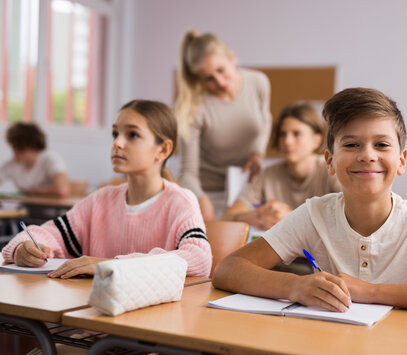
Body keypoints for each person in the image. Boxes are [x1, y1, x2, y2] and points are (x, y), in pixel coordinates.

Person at [212, 88, 407, 318]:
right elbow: (229, 269)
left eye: (382, 144)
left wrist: (370, 292)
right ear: (329, 161)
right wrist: (297, 286)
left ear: (401, 161)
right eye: (351, 145)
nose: (367, 155)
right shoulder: (314, 214)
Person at [2, 100, 212, 278]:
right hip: (92, 316)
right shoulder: (100, 200)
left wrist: (114, 266)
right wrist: (23, 249)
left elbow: (199, 259)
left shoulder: (180, 201)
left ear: (163, 149)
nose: (118, 143)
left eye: (133, 135)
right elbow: (49, 234)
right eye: (115, 133)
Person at [176, 30, 272, 220]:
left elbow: (266, 120)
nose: (219, 82)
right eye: (208, 78)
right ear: (198, 79)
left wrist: (259, 152)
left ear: (231, 58)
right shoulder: (193, 107)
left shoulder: (258, 82)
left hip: (247, 192)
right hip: (209, 196)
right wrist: (201, 199)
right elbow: (187, 173)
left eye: (221, 70)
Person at [223, 102, 340, 230]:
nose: (287, 141)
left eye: (296, 134)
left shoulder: (333, 170)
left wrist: (291, 217)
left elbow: (349, 218)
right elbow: (227, 216)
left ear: (316, 140)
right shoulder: (268, 174)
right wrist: (255, 216)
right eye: (283, 134)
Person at [0, 123, 70, 197]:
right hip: (24, 206)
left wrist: (31, 192)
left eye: (21, 151)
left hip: (50, 207)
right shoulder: (12, 164)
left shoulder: (51, 160)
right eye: (14, 150)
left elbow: (61, 189)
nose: (15, 155)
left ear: (34, 148)